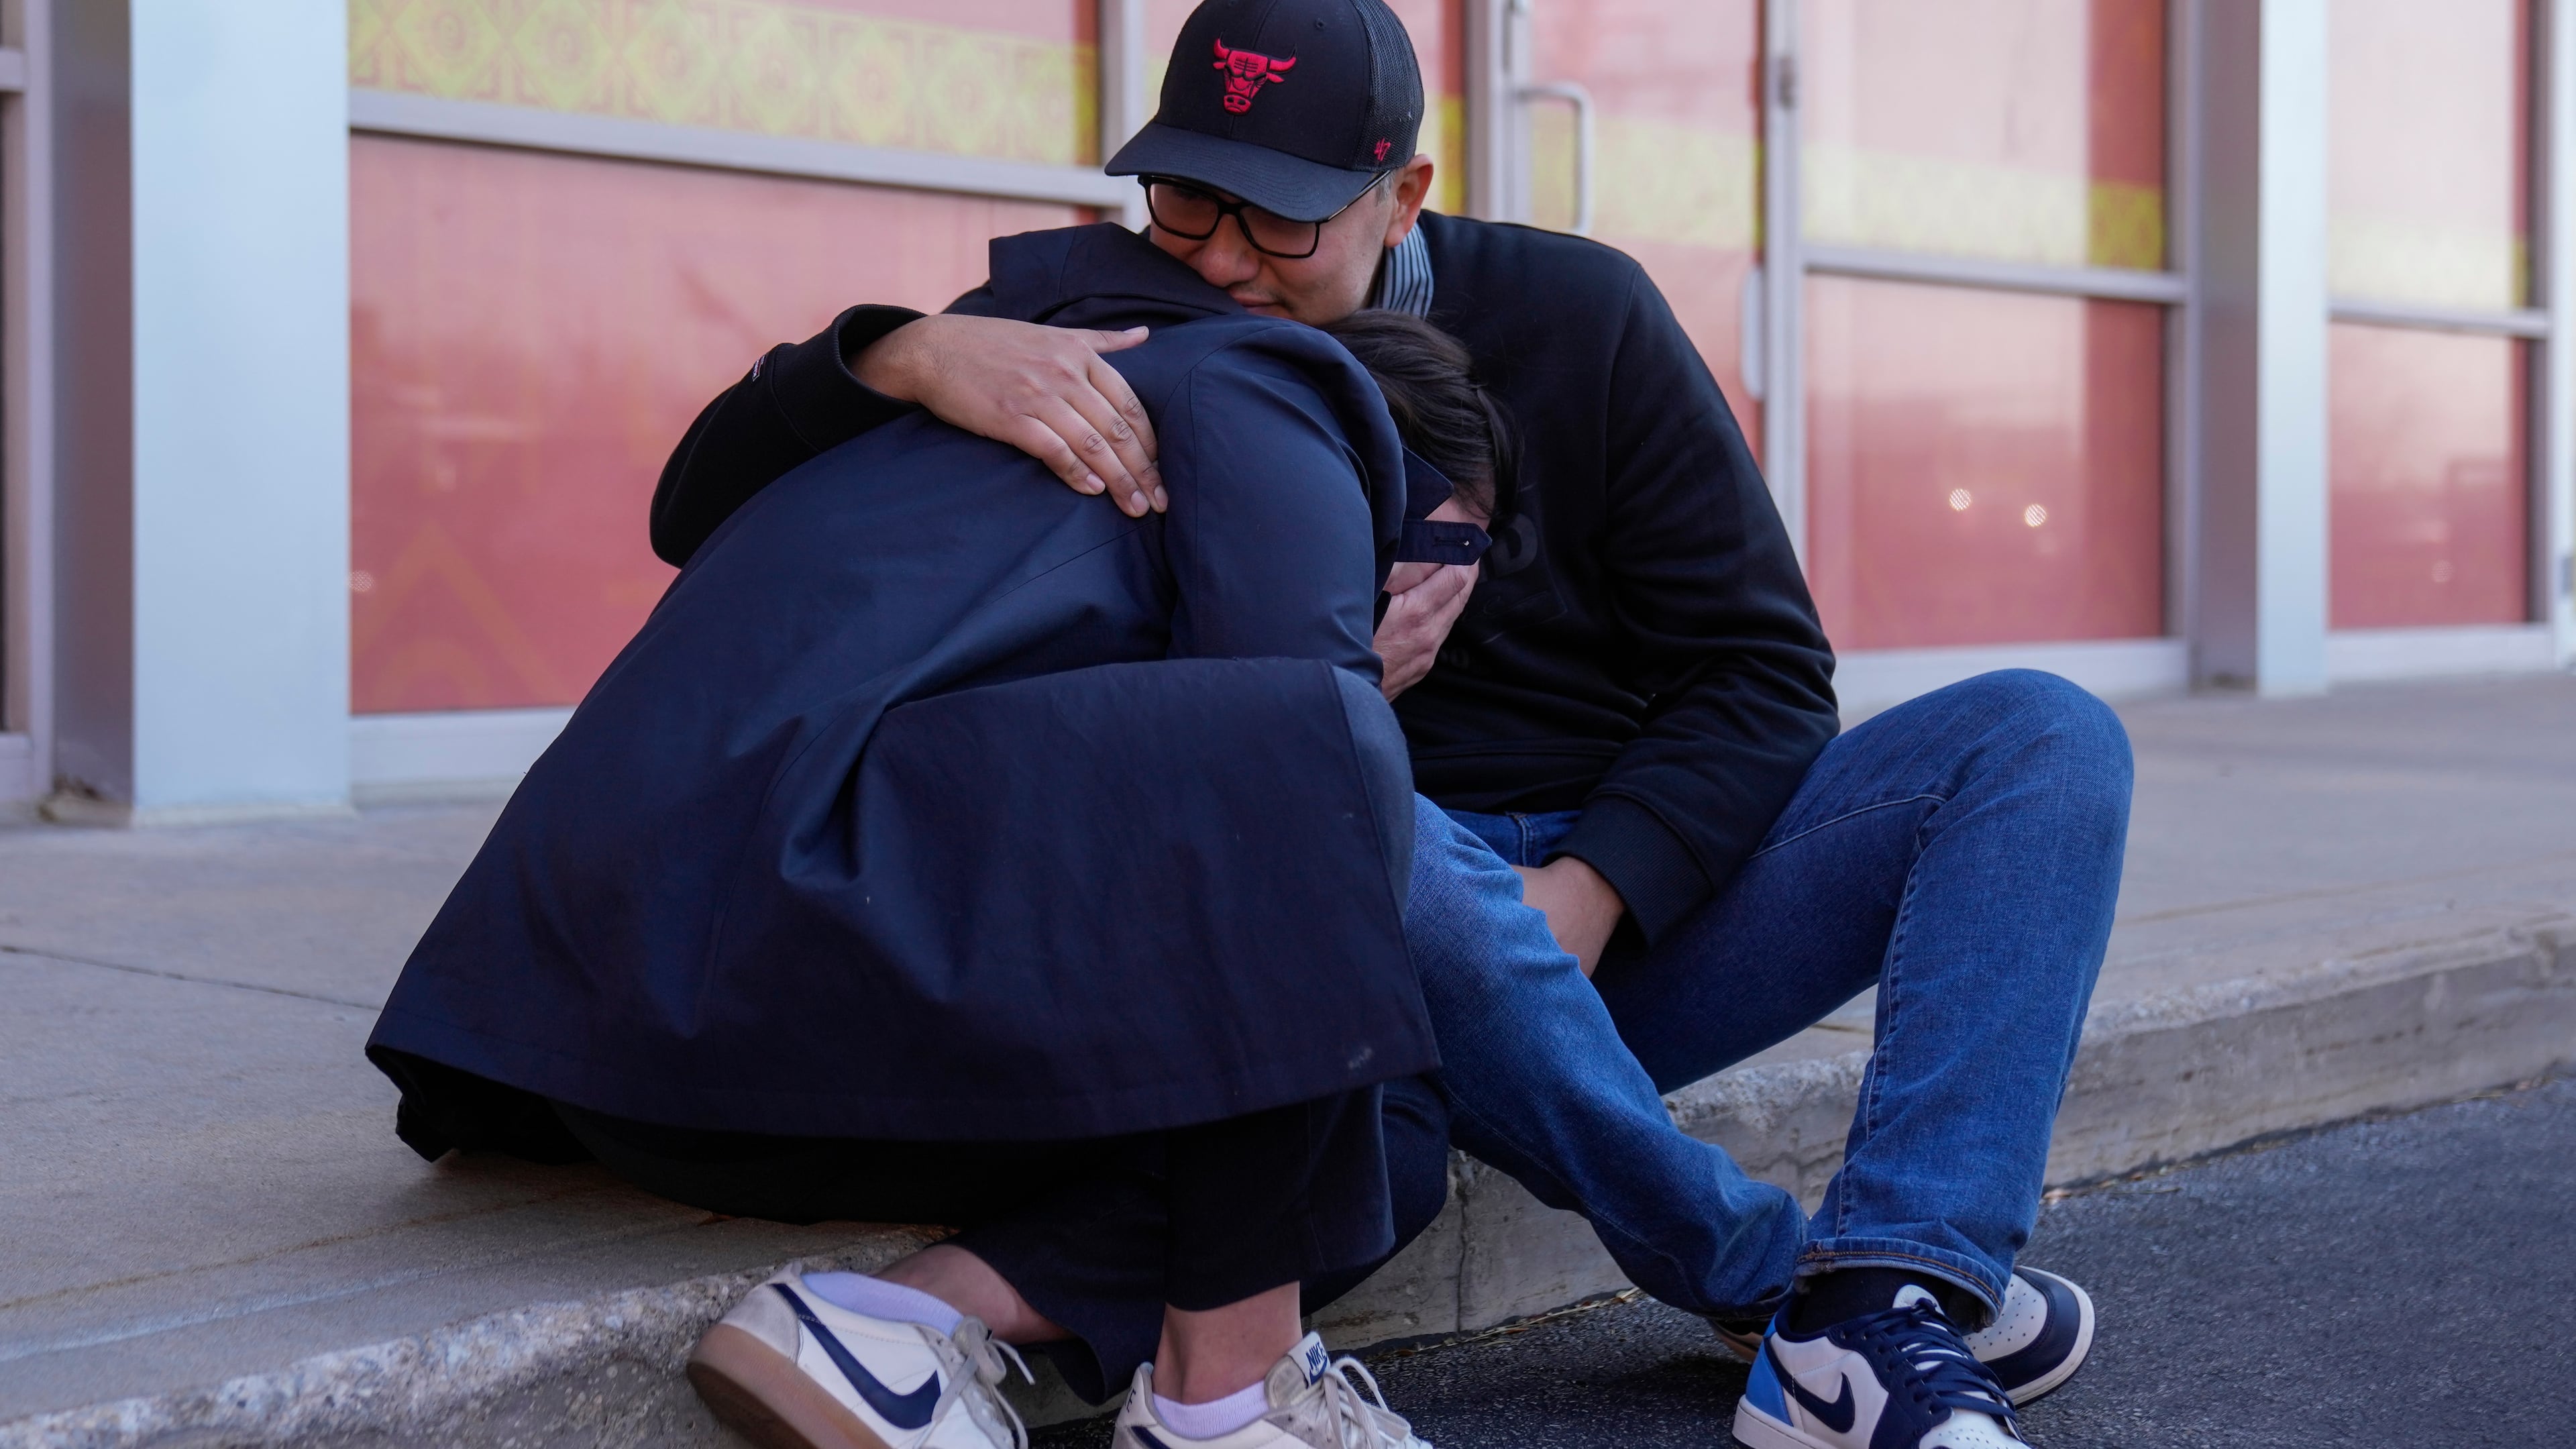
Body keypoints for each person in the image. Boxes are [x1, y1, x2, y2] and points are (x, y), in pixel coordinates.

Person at [652, 2, 2135, 1447]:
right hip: (1345, 938)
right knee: (1334, 843)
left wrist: (1591, 889)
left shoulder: (1582, 313)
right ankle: (1789, 1300)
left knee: (2039, 740)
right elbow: (695, 511)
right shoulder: (1086, 319)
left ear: (1404, 192)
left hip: (1609, 926)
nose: (1225, 263)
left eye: (1284, 220)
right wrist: (897, 354)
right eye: (1187, 201)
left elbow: (1759, 672)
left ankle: (1892, 1275)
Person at [366, 229, 1515, 1449]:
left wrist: (890, 350)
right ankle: (1229, 1401)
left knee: (1376, 1124)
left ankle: (896, 1328)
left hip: (587, 1037)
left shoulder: (1021, 412)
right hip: (736, 992)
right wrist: (1356, 697)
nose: (1434, 591)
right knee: (1325, 781)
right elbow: (1287, 782)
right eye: (1443, 548)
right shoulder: (1271, 385)